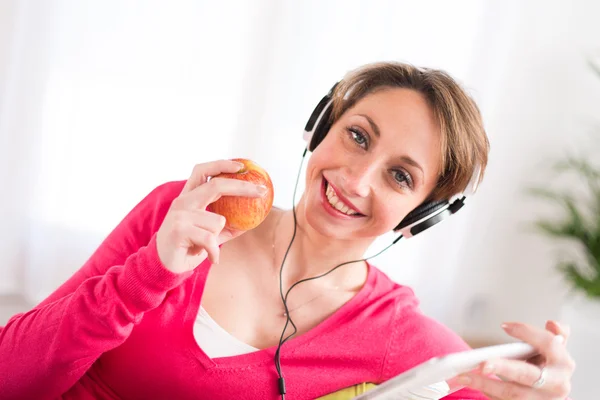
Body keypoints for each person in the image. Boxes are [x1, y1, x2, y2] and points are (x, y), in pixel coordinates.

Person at [0, 62, 575, 400]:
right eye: (357, 136)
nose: (356, 178)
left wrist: (545, 394)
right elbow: (11, 376)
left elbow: (491, 383)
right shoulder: (190, 214)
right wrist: (147, 274)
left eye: (400, 175)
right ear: (318, 130)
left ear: (420, 215)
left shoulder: (398, 336)